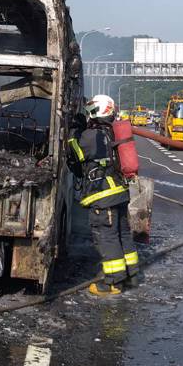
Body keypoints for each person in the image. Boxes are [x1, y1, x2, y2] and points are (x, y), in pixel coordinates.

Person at [67, 94, 140, 296]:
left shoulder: (92, 136)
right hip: (120, 192)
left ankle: (113, 283)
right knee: (122, 234)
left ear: (98, 111)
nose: (88, 116)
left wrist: (74, 129)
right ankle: (131, 276)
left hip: (103, 194)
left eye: (90, 112)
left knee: (107, 238)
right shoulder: (112, 132)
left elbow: (76, 153)